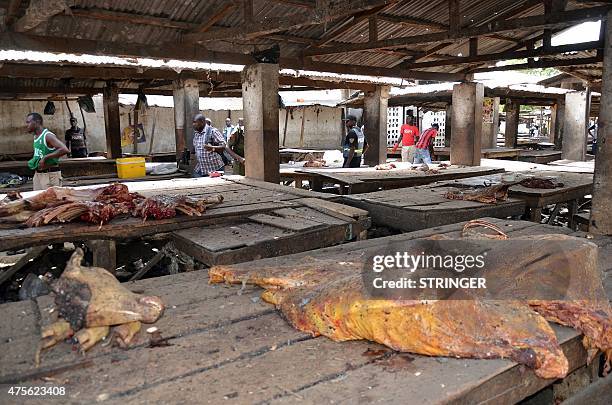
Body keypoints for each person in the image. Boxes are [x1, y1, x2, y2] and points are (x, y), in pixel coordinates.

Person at [26, 112, 69, 190]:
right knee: (37, 200)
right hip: (38, 175)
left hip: (50, 175)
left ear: (37, 122)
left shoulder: (47, 135)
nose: (27, 125)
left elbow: (64, 149)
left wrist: (45, 157)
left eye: (29, 122)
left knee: (52, 201)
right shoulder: (36, 136)